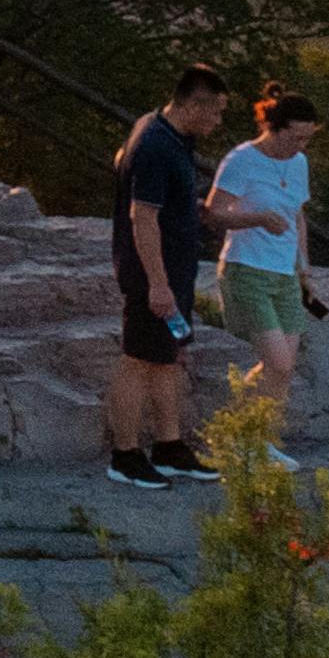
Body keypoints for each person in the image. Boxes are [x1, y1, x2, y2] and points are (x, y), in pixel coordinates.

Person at [105, 63, 245, 486]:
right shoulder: (154, 145)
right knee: (138, 360)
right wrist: (158, 284)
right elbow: (142, 217)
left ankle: (169, 447)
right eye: (216, 112)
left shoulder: (167, 133)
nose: (218, 121)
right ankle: (125, 456)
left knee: (168, 359)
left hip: (175, 269)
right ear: (193, 105)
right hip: (153, 273)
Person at [210, 84, 323, 463]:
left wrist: (304, 266)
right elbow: (213, 212)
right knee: (279, 362)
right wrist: (256, 218)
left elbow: (298, 214)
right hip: (247, 270)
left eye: (308, 138)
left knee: (282, 369)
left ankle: (251, 436)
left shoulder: (299, 162)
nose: (301, 146)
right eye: (295, 137)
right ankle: (249, 439)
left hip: (284, 274)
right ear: (274, 127)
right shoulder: (242, 159)